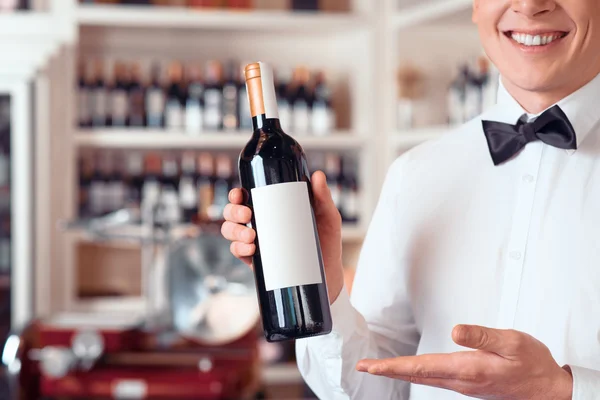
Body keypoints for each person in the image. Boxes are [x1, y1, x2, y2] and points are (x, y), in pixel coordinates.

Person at [221, 0, 600, 398]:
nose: (529, 5)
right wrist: (326, 289)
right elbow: (373, 388)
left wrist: (565, 390)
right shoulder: (415, 173)